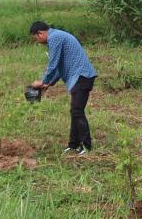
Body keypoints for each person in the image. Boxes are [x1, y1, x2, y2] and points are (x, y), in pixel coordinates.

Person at [29, 21, 98, 155]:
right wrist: (48, 83)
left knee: (77, 111)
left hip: (82, 76)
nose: (37, 42)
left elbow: (53, 64)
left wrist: (43, 80)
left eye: (36, 38)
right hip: (79, 77)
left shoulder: (55, 38)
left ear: (40, 33)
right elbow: (60, 67)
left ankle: (86, 146)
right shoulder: (57, 37)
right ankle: (73, 145)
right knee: (75, 111)